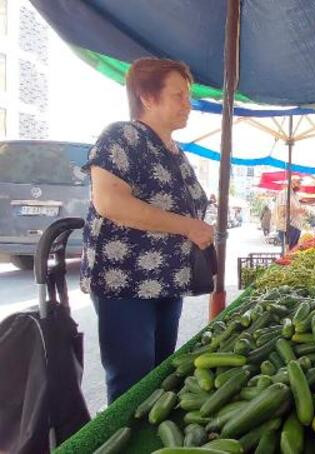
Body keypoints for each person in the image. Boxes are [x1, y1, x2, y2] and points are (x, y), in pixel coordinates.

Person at [80, 58, 213, 403]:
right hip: (125, 283)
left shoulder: (174, 151)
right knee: (131, 382)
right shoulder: (121, 137)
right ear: (147, 96)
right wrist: (187, 226)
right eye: (179, 95)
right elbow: (110, 202)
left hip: (167, 282)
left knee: (157, 378)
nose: (189, 105)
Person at [274, 179, 305, 250]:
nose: (300, 185)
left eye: (300, 183)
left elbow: (296, 210)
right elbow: (282, 210)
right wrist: (298, 210)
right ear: (291, 183)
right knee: (287, 253)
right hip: (287, 227)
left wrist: (302, 211)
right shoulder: (284, 194)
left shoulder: (295, 195)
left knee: (292, 252)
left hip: (296, 227)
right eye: (298, 182)